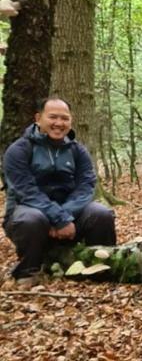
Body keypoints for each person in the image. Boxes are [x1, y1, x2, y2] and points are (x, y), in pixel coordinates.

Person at [3, 98, 116, 285]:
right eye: (53, 117)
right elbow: (26, 192)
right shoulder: (18, 150)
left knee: (101, 214)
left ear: (71, 121)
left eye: (64, 118)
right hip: (27, 213)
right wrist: (58, 217)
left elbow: (86, 186)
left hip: (69, 215)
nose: (59, 123)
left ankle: (101, 270)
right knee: (32, 218)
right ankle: (28, 272)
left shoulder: (78, 151)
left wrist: (65, 216)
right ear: (38, 119)